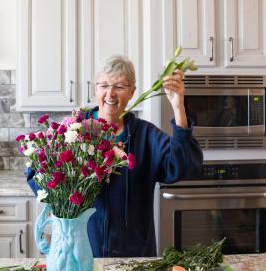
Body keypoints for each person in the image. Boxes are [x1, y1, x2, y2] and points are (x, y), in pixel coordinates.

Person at [26, 55, 203, 257]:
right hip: (77, 254)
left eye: (119, 86)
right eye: (104, 85)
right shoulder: (72, 130)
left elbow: (184, 166)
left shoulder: (145, 135)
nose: (110, 93)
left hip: (133, 256)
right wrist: (61, 197)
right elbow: (36, 172)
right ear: (95, 89)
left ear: (132, 92)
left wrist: (178, 107)